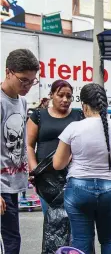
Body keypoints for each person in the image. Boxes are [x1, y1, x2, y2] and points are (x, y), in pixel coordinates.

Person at [53, 83, 111, 254]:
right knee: (109, 240)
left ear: (84, 106)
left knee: (81, 239)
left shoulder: (74, 128)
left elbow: (58, 164)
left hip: (79, 188)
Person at [1, 47, 40, 254]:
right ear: (8, 72)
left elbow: (20, 146)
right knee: (9, 243)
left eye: (31, 81)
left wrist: (28, 173)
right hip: (2, 186)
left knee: (9, 242)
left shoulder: (22, 103)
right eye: (23, 80)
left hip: (14, 183)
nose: (27, 86)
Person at [27, 80, 83, 213]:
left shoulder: (79, 115)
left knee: (73, 217)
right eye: (60, 95)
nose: (65, 99)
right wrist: (35, 170)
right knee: (51, 218)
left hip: (72, 175)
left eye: (69, 96)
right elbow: (29, 146)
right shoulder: (39, 115)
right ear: (51, 95)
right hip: (45, 177)